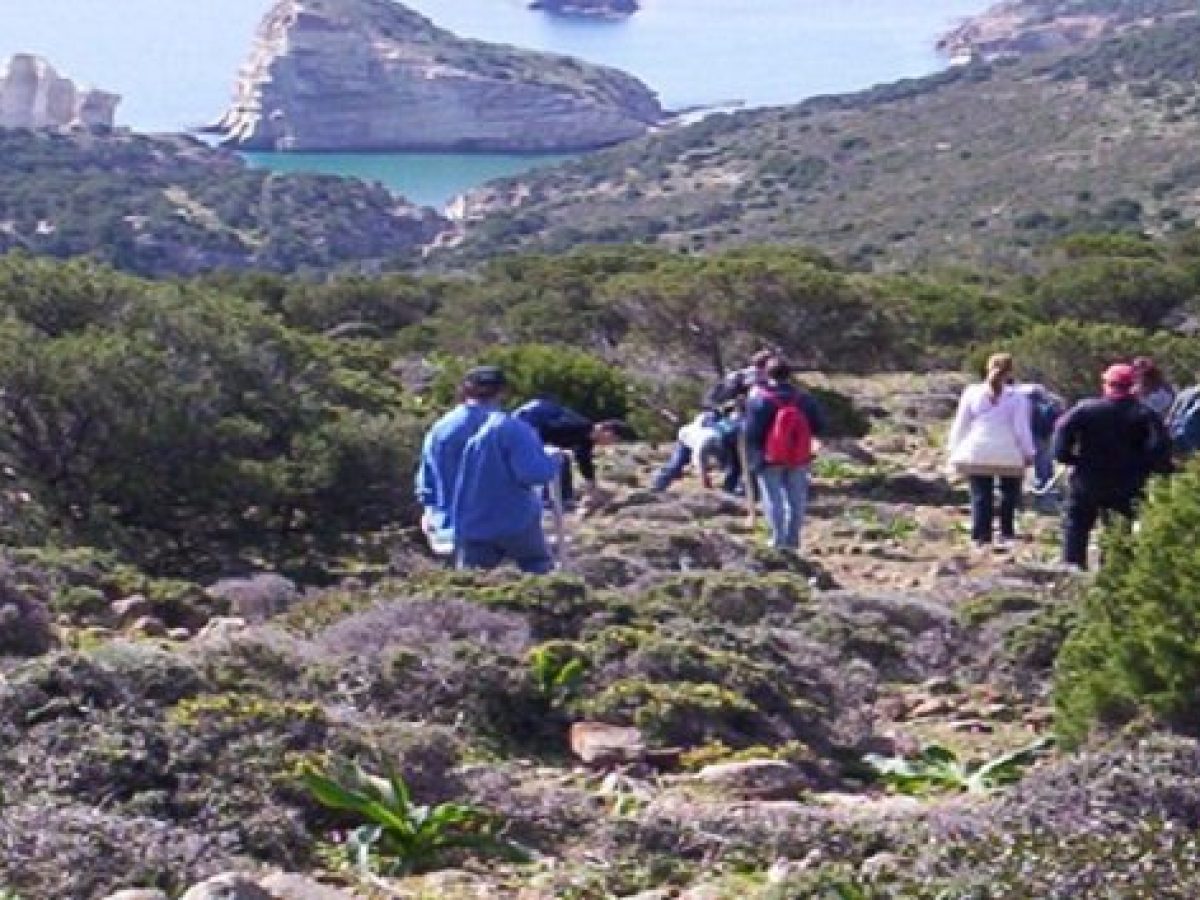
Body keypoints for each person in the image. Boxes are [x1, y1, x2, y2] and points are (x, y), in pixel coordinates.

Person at [1053, 363, 1173, 569]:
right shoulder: (1145, 413)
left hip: (1088, 477)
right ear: (1132, 386)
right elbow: (1160, 447)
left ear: (1106, 384)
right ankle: (1113, 571)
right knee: (1119, 530)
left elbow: (1062, 431)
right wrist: (1149, 468)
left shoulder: (1086, 409)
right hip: (1127, 481)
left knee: (1077, 524)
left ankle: (1072, 568)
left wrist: (1067, 457)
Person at [452, 385, 563, 574]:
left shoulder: (476, 438)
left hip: (474, 521)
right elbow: (533, 473)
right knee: (537, 565)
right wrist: (553, 461)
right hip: (514, 518)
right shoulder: (516, 430)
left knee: (471, 578)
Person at [415, 365, 508, 554]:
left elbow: (427, 481)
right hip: (499, 531)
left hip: (447, 531)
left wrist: (430, 513)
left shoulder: (441, 428)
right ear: (502, 392)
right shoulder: (508, 428)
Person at [946, 353, 1035, 550]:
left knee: (980, 494)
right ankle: (1006, 533)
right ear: (1010, 372)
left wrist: (953, 450)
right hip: (1008, 452)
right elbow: (1021, 429)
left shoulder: (971, 392)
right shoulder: (1018, 398)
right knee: (1009, 494)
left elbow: (961, 424)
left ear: (987, 368)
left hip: (978, 450)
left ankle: (981, 536)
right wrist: (1028, 452)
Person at [744, 358, 826, 550]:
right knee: (796, 499)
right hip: (799, 456)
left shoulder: (760, 398)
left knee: (773, 499)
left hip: (769, 457)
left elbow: (752, 432)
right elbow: (819, 424)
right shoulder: (804, 398)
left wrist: (755, 456)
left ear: (767, 374)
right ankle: (793, 540)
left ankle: (777, 540)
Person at [512, 398, 636, 506]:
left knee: (560, 459)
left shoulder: (586, 438)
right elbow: (545, 426)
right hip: (524, 423)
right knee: (558, 459)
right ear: (608, 432)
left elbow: (584, 462)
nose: (611, 443)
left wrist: (592, 490)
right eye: (614, 439)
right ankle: (551, 499)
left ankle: (560, 498)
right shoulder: (576, 426)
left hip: (531, 428)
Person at [651, 407, 729, 492]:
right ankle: (658, 486)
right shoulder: (706, 438)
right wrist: (705, 479)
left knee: (728, 462)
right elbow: (698, 459)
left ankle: (730, 487)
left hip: (701, 436)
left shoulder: (721, 429)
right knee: (675, 466)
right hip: (685, 440)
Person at [1016, 382, 1065, 496]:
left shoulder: (1026, 400)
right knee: (1044, 458)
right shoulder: (1047, 400)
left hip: (1035, 432)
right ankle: (1047, 482)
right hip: (1045, 432)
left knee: (1040, 458)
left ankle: (1043, 484)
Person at [1166, 376, 1200, 459]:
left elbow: (1170, 415)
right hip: (1184, 433)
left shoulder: (1184, 393)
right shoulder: (1186, 393)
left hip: (1182, 434)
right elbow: (1171, 415)